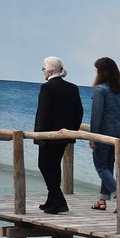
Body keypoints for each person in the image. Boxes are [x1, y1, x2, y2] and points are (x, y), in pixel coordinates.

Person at [33, 56, 84, 214]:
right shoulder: (73, 88)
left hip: (49, 135)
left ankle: (60, 201)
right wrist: (72, 130)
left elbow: (43, 114)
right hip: (64, 135)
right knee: (54, 166)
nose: (43, 71)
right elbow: (79, 112)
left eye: (43, 69)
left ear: (49, 70)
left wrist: (39, 136)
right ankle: (52, 201)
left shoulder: (47, 88)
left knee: (44, 165)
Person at [89, 57, 120, 212]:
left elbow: (96, 116)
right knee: (108, 168)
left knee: (101, 167)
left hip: (102, 134)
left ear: (101, 72)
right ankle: (102, 201)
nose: (95, 72)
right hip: (116, 133)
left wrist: (93, 136)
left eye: (97, 69)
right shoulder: (119, 90)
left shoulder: (100, 90)